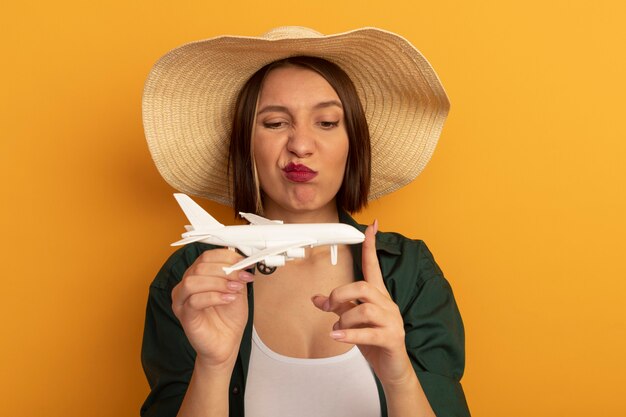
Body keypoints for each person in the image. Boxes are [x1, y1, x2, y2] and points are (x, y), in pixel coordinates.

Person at [140, 27, 470, 417]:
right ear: (246, 145)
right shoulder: (192, 281)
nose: (300, 144)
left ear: (354, 143)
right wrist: (213, 367)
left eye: (327, 123)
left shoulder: (410, 271)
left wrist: (399, 378)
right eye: (275, 123)